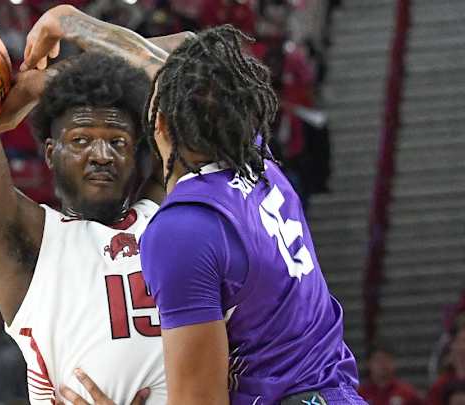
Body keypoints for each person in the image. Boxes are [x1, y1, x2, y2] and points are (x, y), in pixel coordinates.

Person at [0, 6, 189, 404]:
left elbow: (192, 58)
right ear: (50, 153)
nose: (101, 155)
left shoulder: (168, 207)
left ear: (137, 152)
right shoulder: (24, 241)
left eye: (117, 142)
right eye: (81, 140)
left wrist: (66, 40)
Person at [133, 26, 362, 404]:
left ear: (158, 124)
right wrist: (70, 25)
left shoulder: (183, 230)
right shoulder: (260, 163)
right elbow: (193, 55)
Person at [358, 346, 424, 405]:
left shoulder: (407, 393)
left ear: (393, 362)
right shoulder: (360, 394)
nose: (382, 364)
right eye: (378, 360)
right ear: (368, 363)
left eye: (387, 359)